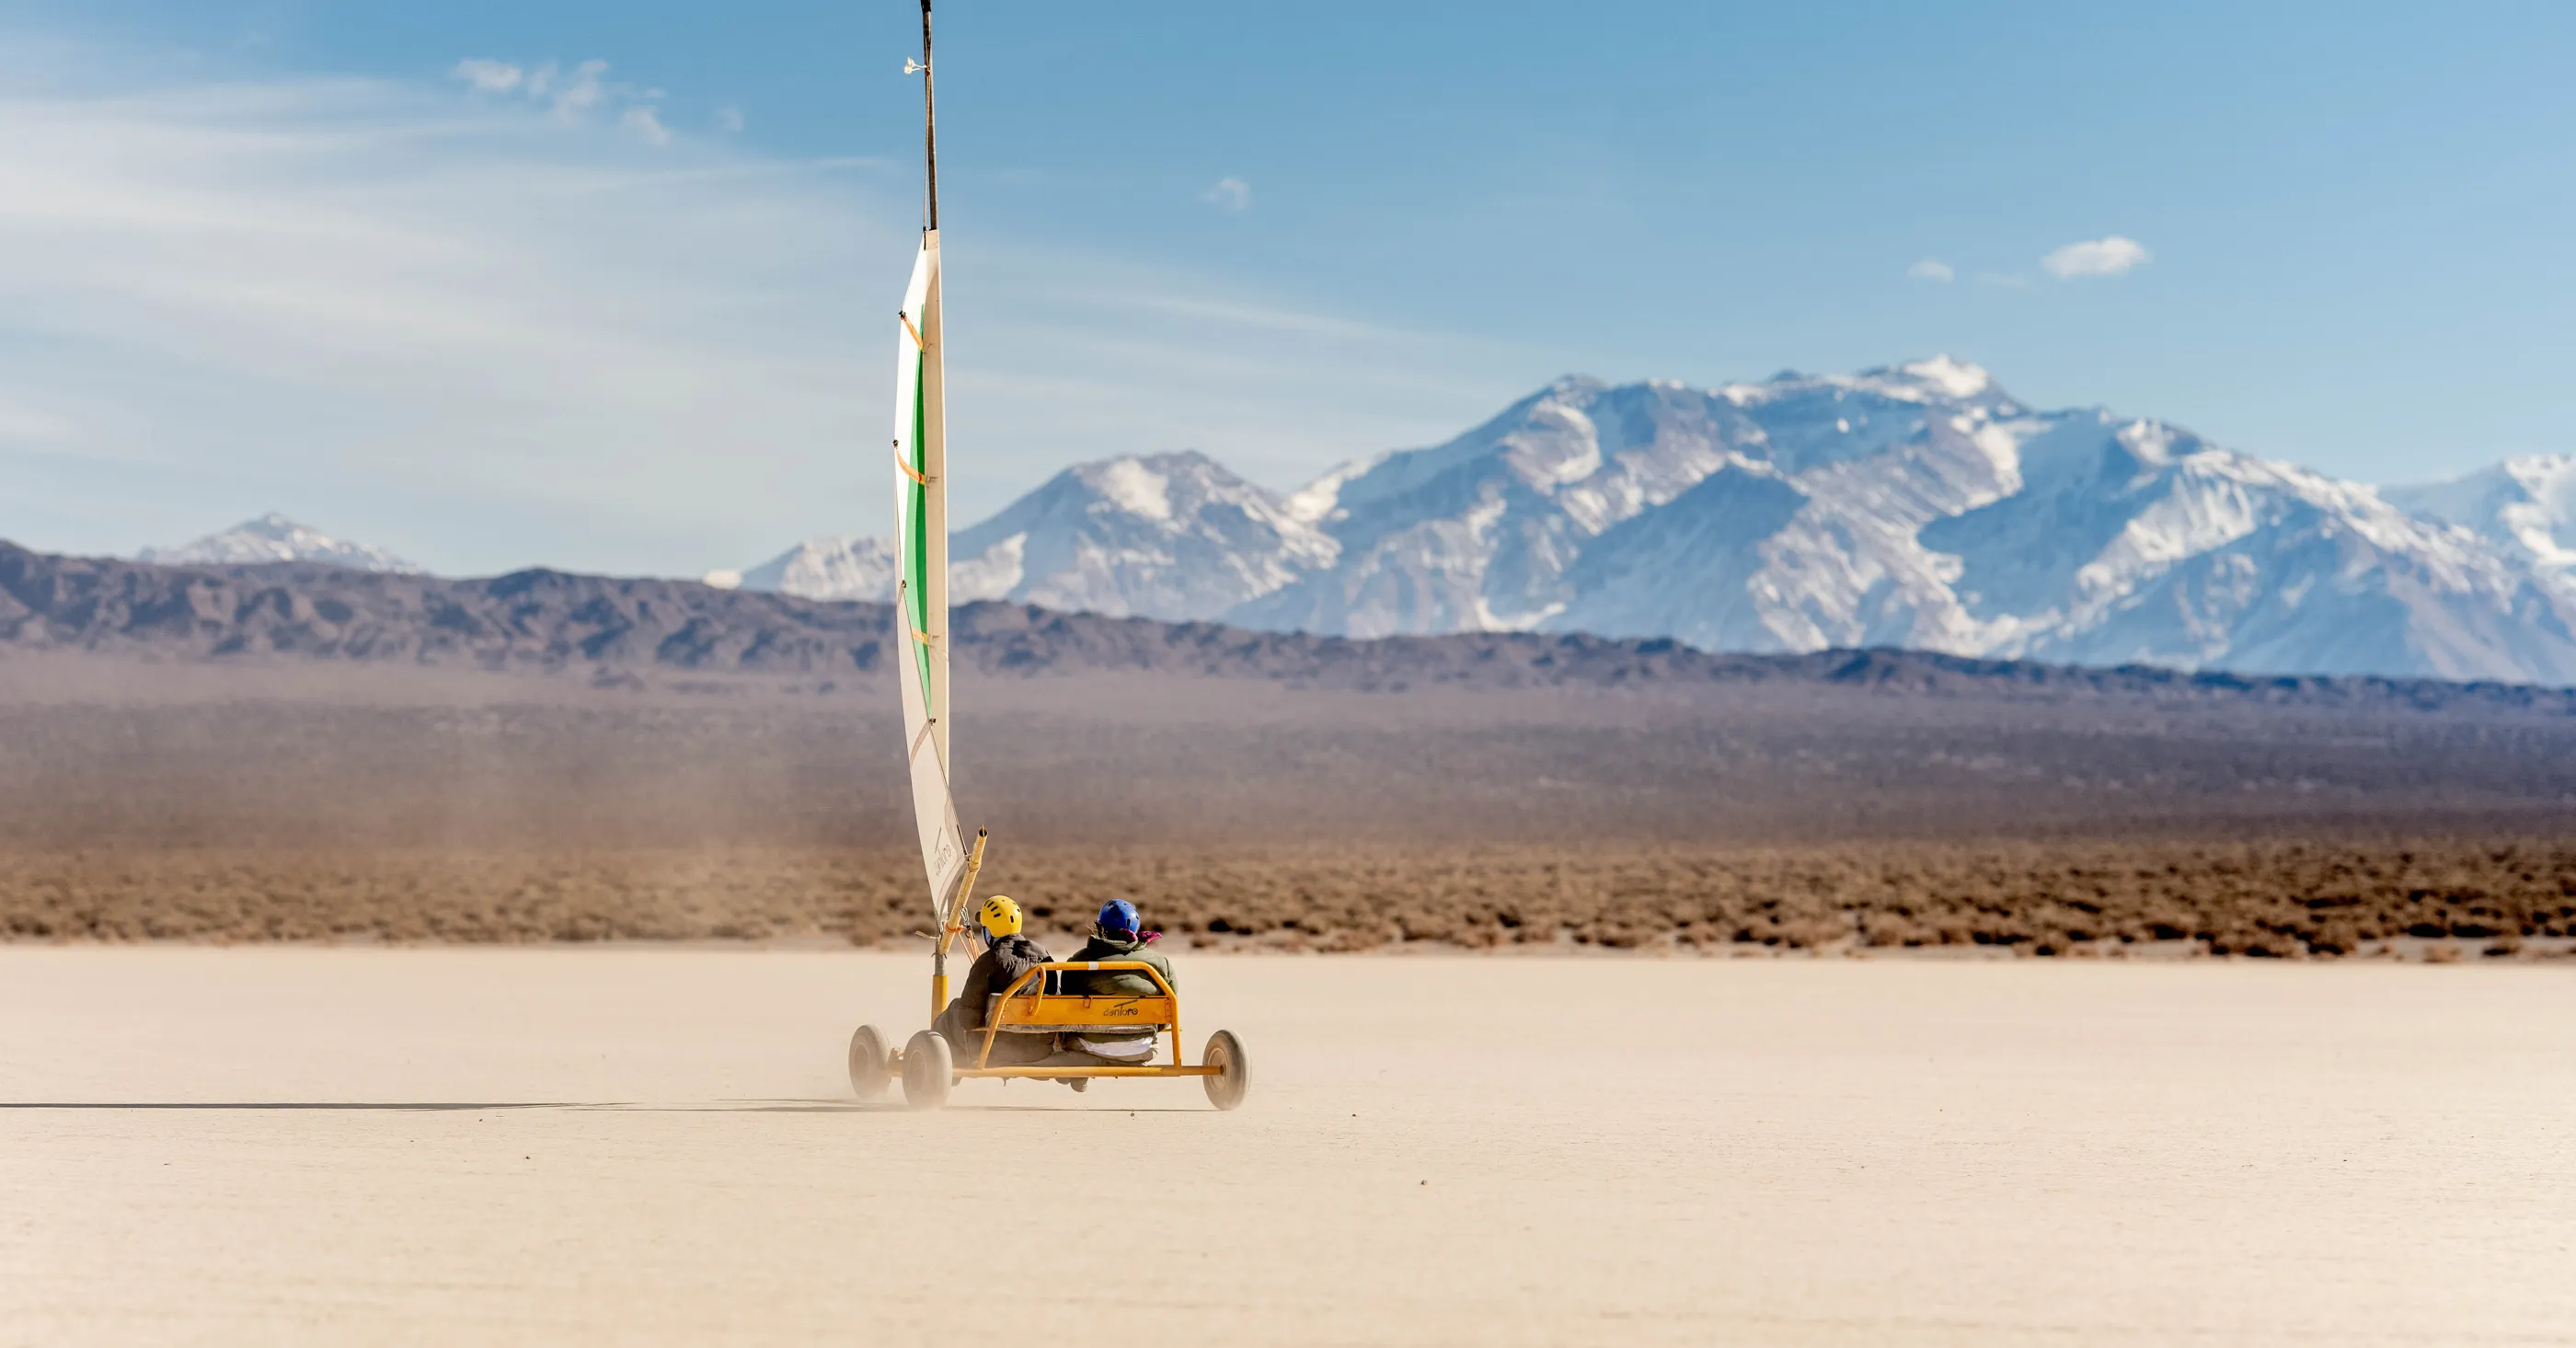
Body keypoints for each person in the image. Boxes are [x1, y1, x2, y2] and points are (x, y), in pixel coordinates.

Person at [931, 895, 1054, 1066]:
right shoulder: (1043, 955)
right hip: (1040, 1048)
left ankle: (947, 1068)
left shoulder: (989, 961)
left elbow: (968, 1020)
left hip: (995, 1049)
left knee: (952, 1012)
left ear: (989, 932)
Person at [1053, 898, 1175, 1066]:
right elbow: (1169, 1007)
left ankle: (1077, 1070)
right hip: (1143, 1048)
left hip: (1089, 1047)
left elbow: (1068, 1005)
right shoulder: (1159, 963)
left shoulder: (1080, 961)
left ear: (1101, 928)